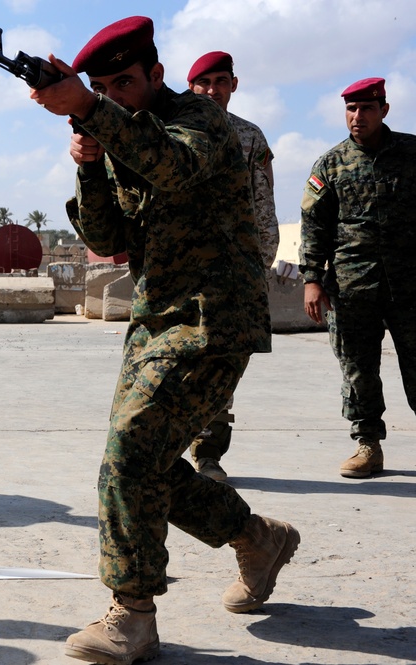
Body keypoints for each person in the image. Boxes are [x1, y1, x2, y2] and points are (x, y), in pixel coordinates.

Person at [30, 16, 299, 664]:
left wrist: (94, 111)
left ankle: (132, 614)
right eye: (105, 87)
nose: (117, 96)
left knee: (128, 453)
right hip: (154, 318)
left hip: (214, 318)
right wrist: (89, 163)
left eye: (126, 82)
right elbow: (105, 236)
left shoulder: (199, 121)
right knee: (143, 464)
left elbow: (174, 168)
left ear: (155, 74)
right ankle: (255, 537)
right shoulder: (117, 134)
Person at [299, 77, 416, 479]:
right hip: (352, 288)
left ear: (384, 109)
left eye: (366, 108)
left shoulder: (413, 153)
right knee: (358, 370)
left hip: (411, 287)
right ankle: (368, 446)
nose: (357, 117)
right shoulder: (331, 164)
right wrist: (312, 279)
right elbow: (314, 225)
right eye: (351, 109)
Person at [185, 50, 281, 482]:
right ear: (191, 88)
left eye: (220, 82)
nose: (212, 91)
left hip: (233, 272)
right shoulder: (171, 131)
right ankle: (166, 449)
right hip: (180, 271)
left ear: (233, 85)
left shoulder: (250, 138)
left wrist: (260, 266)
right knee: (175, 365)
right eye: (203, 83)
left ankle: (208, 454)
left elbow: (263, 205)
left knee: (222, 364)